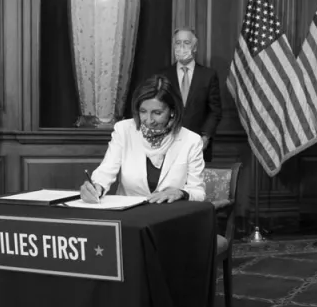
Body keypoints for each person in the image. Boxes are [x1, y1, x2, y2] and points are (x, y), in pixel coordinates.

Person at [81, 75, 206, 204]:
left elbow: (198, 192)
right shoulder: (124, 130)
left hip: (171, 216)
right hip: (130, 215)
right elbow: (106, 170)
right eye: (143, 111)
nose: (149, 120)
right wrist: (97, 187)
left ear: (172, 111)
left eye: (157, 113)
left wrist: (181, 193)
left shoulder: (191, 141)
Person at [158, 27, 222, 162]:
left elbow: (215, 111)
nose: (182, 47)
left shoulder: (208, 75)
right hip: (168, 143)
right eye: (178, 42)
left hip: (198, 144)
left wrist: (205, 136)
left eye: (186, 43)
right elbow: (159, 108)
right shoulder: (163, 76)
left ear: (195, 46)